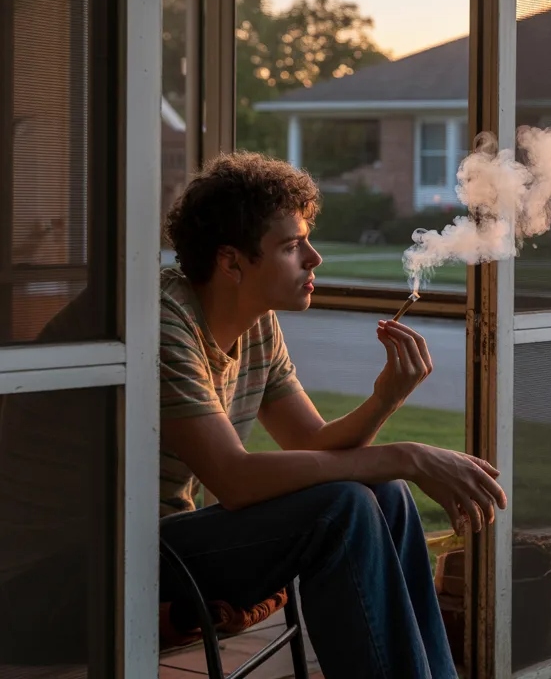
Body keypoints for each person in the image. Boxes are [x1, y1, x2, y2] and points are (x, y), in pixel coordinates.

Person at [156, 151, 506, 677]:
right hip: (84, 567)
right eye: (293, 246)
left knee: (385, 495)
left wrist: (385, 397)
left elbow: (314, 443)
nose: (314, 258)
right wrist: (406, 455)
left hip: (167, 545)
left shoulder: (257, 326)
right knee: (342, 509)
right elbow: (232, 478)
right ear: (231, 262)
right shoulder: (165, 325)